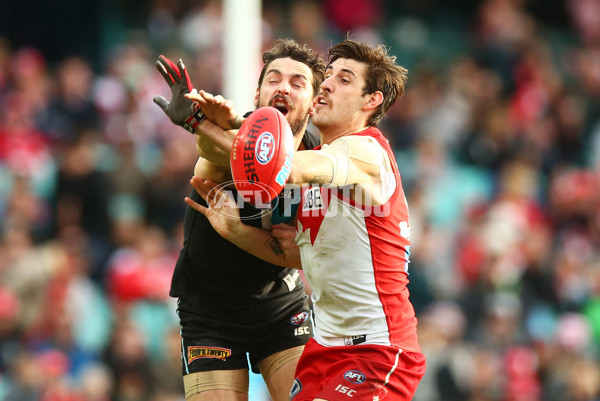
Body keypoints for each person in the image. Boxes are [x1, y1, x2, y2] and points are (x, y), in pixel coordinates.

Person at [186, 39, 426, 401]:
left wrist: (200, 123)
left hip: (376, 351)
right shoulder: (319, 164)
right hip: (324, 349)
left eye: (344, 80)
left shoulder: (365, 150)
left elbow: (288, 166)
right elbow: (293, 254)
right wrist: (237, 231)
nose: (327, 84)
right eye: (328, 76)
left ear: (370, 100)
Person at [152, 39, 326, 401]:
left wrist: (197, 123)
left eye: (297, 82)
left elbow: (311, 257)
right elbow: (211, 150)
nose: (283, 87)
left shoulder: (318, 155)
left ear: (313, 102)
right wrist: (198, 123)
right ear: (258, 93)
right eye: (274, 79)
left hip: (282, 306)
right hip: (209, 313)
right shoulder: (228, 143)